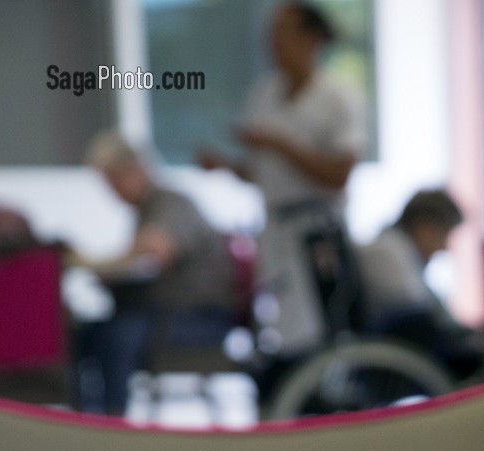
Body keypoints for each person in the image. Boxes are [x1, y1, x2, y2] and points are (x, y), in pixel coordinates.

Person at [199, 3, 364, 389]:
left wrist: (278, 143)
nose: (271, 43)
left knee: (321, 330)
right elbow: (263, 174)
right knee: (280, 330)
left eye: (282, 33)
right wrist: (225, 166)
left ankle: (325, 404)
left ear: (311, 39)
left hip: (316, 231)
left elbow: (339, 173)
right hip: (274, 229)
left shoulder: (336, 95)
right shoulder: (263, 94)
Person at [74, 133, 236, 415]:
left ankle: (112, 430)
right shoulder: (144, 211)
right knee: (82, 336)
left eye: (112, 180)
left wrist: (94, 263)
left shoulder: (172, 203)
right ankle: (83, 422)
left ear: (133, 170)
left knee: (117, 338)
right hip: (165, 315)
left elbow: (156, 247)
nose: (110, 191)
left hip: (201, 317)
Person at [356, 189, 484, 380]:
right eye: (445, 234)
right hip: (397, 357)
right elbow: (418, 315)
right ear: (423, 225)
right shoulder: (387, 252)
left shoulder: (404, 255)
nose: (445, 247)